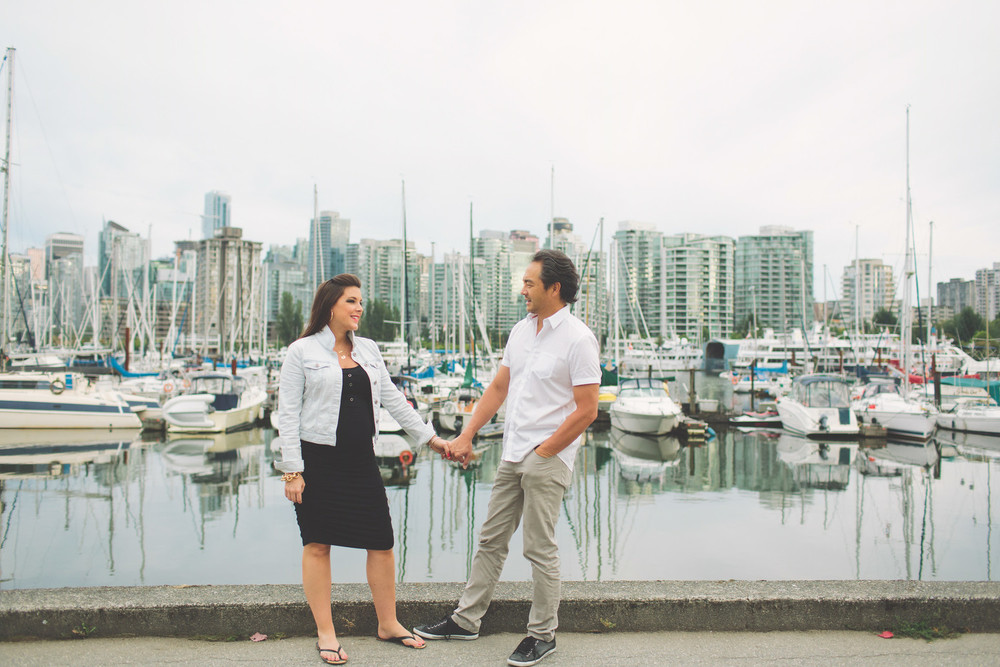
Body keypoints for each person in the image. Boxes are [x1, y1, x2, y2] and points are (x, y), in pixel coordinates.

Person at [414, 249, 600, 667]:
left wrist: (547, 451)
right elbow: (498, 389)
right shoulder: (520, 331)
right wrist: (466, 434)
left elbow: (587, 409)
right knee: (491, 540)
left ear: (554, 288)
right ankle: (466, 621)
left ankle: (542, 635)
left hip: (545, 456)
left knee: (538, 547)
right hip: (512, 452)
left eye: (530, 283)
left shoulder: (578, 338)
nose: (523, 291)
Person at [276, 273, 451, 665]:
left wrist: (431, 439)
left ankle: (387, 622)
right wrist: (292, 471)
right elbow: (286, 416)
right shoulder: (301, 352)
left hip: (360, 460)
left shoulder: (368, 349)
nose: (359, 308)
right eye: (352, 301)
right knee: (318, 544)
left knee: (382, 542)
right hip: (317, 462)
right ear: (331, 305)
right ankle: (326, 632)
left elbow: (395, 400)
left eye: (361, 302)